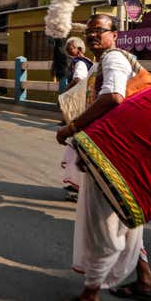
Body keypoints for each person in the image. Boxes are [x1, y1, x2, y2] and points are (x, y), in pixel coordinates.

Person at [52, 14, 151, 301]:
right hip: (124, 153)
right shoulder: (103, 63)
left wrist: (70, 128)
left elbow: (113, 96)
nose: (93, 35)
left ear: (116, 34)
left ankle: (90, 298)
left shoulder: (113, 59)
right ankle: (146, 280)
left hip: (114, 156)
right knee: (127, 219)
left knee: (102, 225)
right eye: (89, 31)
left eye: (99, 30)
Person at [59, 36, 92, 201]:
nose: (67, 49)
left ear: (78, 49)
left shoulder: (80, 63)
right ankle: (75, 184)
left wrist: (66, 91)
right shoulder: (85, 62)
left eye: (70, 47)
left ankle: (78, 187)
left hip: (81, 109)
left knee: (77, 147)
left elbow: (79, 79)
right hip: (85, 107)